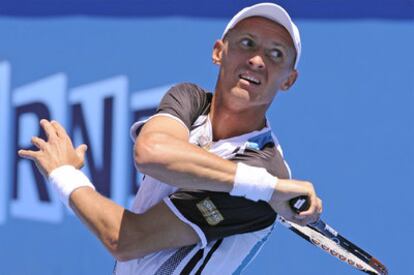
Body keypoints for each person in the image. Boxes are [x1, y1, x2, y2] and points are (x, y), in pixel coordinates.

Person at [18, 3, 323, 274]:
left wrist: (63, 174)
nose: (258, 60)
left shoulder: (266, 168)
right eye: (247, 43)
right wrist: (267, 189)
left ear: (289, 80)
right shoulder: (189, 100)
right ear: (219, 52)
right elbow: (151, 153)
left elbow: (125, 239)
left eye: (275, 54)